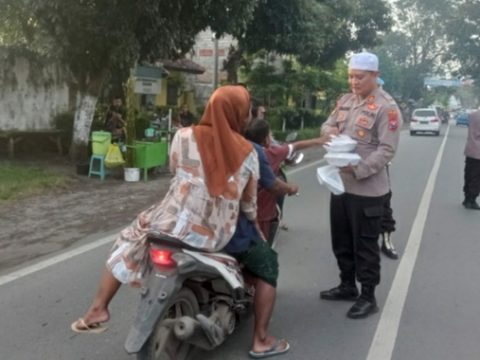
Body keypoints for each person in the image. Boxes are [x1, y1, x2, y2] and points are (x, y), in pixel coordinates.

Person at [71, 85, 259, 334]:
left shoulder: (182, 136)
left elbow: (175, 170)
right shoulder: (248, 153)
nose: (247, 117)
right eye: (246, 111)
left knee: (130, 237)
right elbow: (248, 202)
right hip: (213, 233)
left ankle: (98, 307)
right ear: (239, 113)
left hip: (168, 222)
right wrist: (253, 219)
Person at [319, 52, 402, 319]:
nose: (354, 82)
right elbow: (328, 124)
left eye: (360, 77)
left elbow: (387, 150)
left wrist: (358, 169)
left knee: (365, 246)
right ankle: (347, 285)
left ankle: (368, 296)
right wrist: (328, 132)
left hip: (367, 191)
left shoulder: (386, 108)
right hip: (341, 186)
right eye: (350, 76)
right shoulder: (345, 100)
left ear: (375, 76)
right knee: (341, 240)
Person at [223, 140, 297, 358]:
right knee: (268, 263)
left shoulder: (190, 138)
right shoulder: (250, 149)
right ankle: (261, 339)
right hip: (229, 232)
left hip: (187, 228)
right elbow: (262, 191)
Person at [244, 118, 330, 240]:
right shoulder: (271, 153)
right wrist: (319, 141)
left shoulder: (240, 149)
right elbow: (274, 183)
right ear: (266, 139)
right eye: (270, 135)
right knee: (263, 247)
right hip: (263, 213)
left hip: (242, 212)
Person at [463, 109, 480, 210]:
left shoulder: (472, 115)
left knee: (468, 174)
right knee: (477, 177)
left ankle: (466, 198)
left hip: (470, 149)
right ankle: (471, 200)